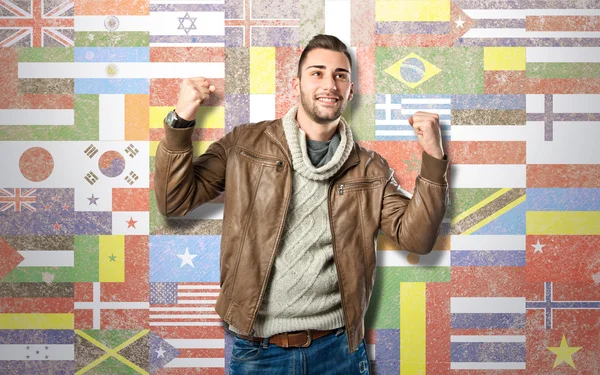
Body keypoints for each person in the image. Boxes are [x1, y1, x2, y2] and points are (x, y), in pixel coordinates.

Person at [154, 34, 448, 375]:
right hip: (259, 351)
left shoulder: (370, 169)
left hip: (339, 351)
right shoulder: (245, 145)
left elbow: (418, 239)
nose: (330, 84)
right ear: (296, 84)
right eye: (317, 73)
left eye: (340, 75)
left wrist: (433, 157)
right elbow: (173, 200)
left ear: (350, 91)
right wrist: (181, 121)